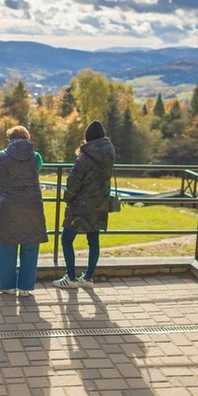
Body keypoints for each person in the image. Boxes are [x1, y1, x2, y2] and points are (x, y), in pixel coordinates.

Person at [0, 125, 48, 296]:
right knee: (30, 246)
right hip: (32, 206)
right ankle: (26, 288)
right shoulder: (36, 157)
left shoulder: (0, 156)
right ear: (27, 138)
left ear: (10, 140)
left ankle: (7, 286)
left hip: (8, 206)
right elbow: (39, 167)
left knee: (7, 245)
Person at [53, 120, 116, 289]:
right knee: (93, 239)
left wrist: (67, 198)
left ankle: (71, 277)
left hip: (80, 205)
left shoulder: (84, 157)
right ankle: (88, 277)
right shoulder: (109, 154)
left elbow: (74, 180)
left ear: (88, 138)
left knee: (67, 239)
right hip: (100, 203)